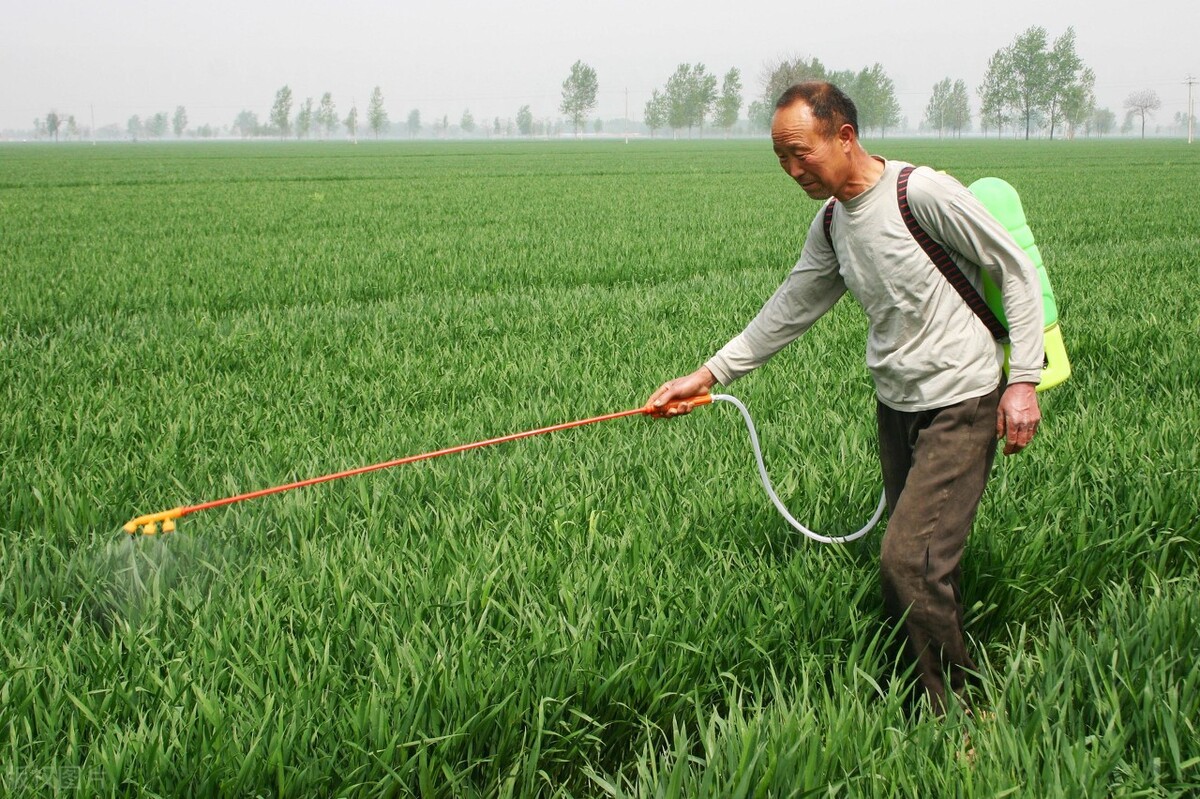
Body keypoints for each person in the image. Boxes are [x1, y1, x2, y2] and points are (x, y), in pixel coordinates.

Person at [647, 81, 1044, 715]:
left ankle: (960, 715)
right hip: (897, 402)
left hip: (962, 398)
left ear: (845, 136)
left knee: (908, 562)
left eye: (800, 152)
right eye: (780, 157)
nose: (792, 169)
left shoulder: (920, 193)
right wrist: (709, 375)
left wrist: (1022, 379)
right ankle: (934, 675)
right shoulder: (833, 222)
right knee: (925, 559)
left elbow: (1014, 269)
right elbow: (792, 305)